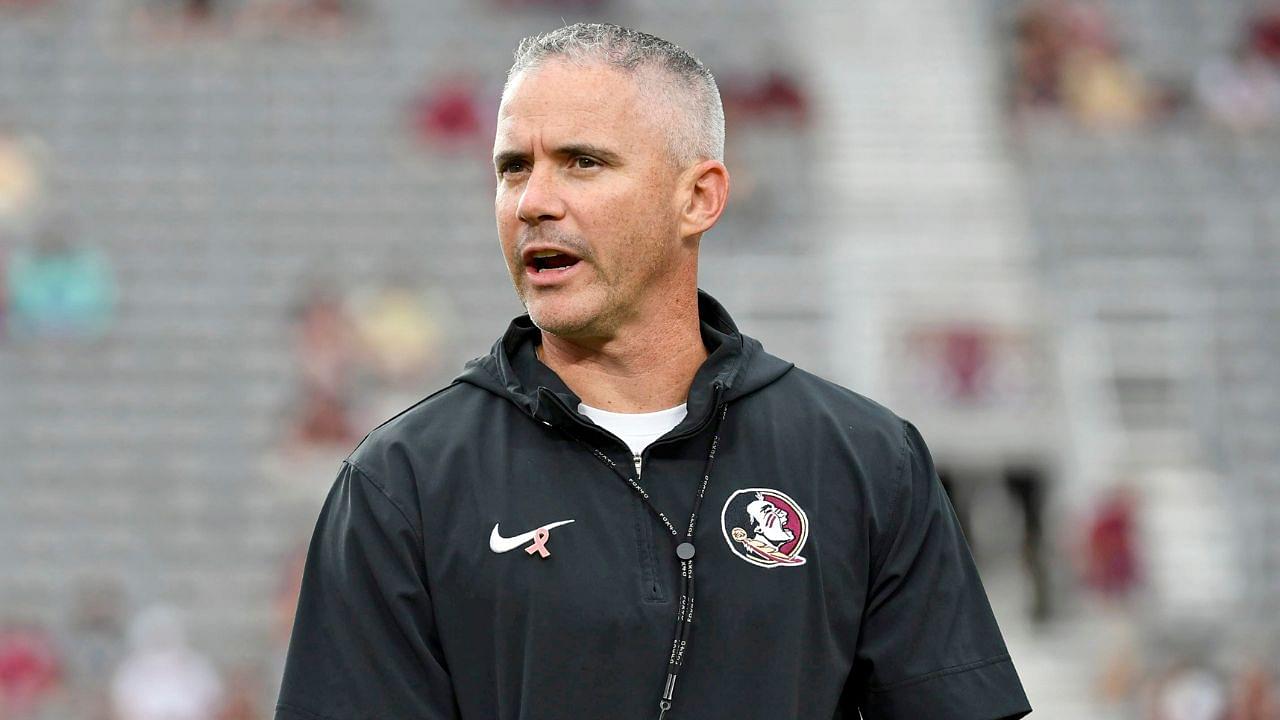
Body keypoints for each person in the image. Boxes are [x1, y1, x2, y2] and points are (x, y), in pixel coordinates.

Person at [276, 22, 1032, 720]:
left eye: (583, 162)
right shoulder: (400, 482)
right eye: (513, 168)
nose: (534, 201)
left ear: (698, 197)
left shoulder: (867, 460)